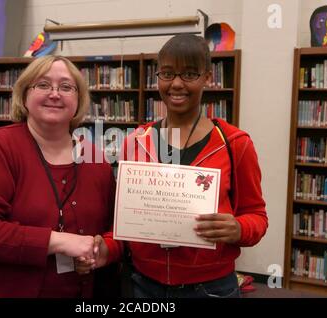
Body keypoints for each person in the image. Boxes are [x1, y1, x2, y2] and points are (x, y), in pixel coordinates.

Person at [76, 34, 268, 298]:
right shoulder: (135, 142)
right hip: (142, 285)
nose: (176, 84)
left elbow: (257, 215)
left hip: (210, 288)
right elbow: (126, 223)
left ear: (208, 78)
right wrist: (106, 248)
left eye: (189, 74)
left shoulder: (235, 144)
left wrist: (238, 229)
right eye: (167, 74)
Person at [0, 55, 117, 297]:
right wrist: (59, 241)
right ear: (24, 96)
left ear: (79, 100)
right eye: (43, 85)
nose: (54, 94)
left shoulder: (96, 160)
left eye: (66, 87)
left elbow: (112, 230)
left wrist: (100, 250)